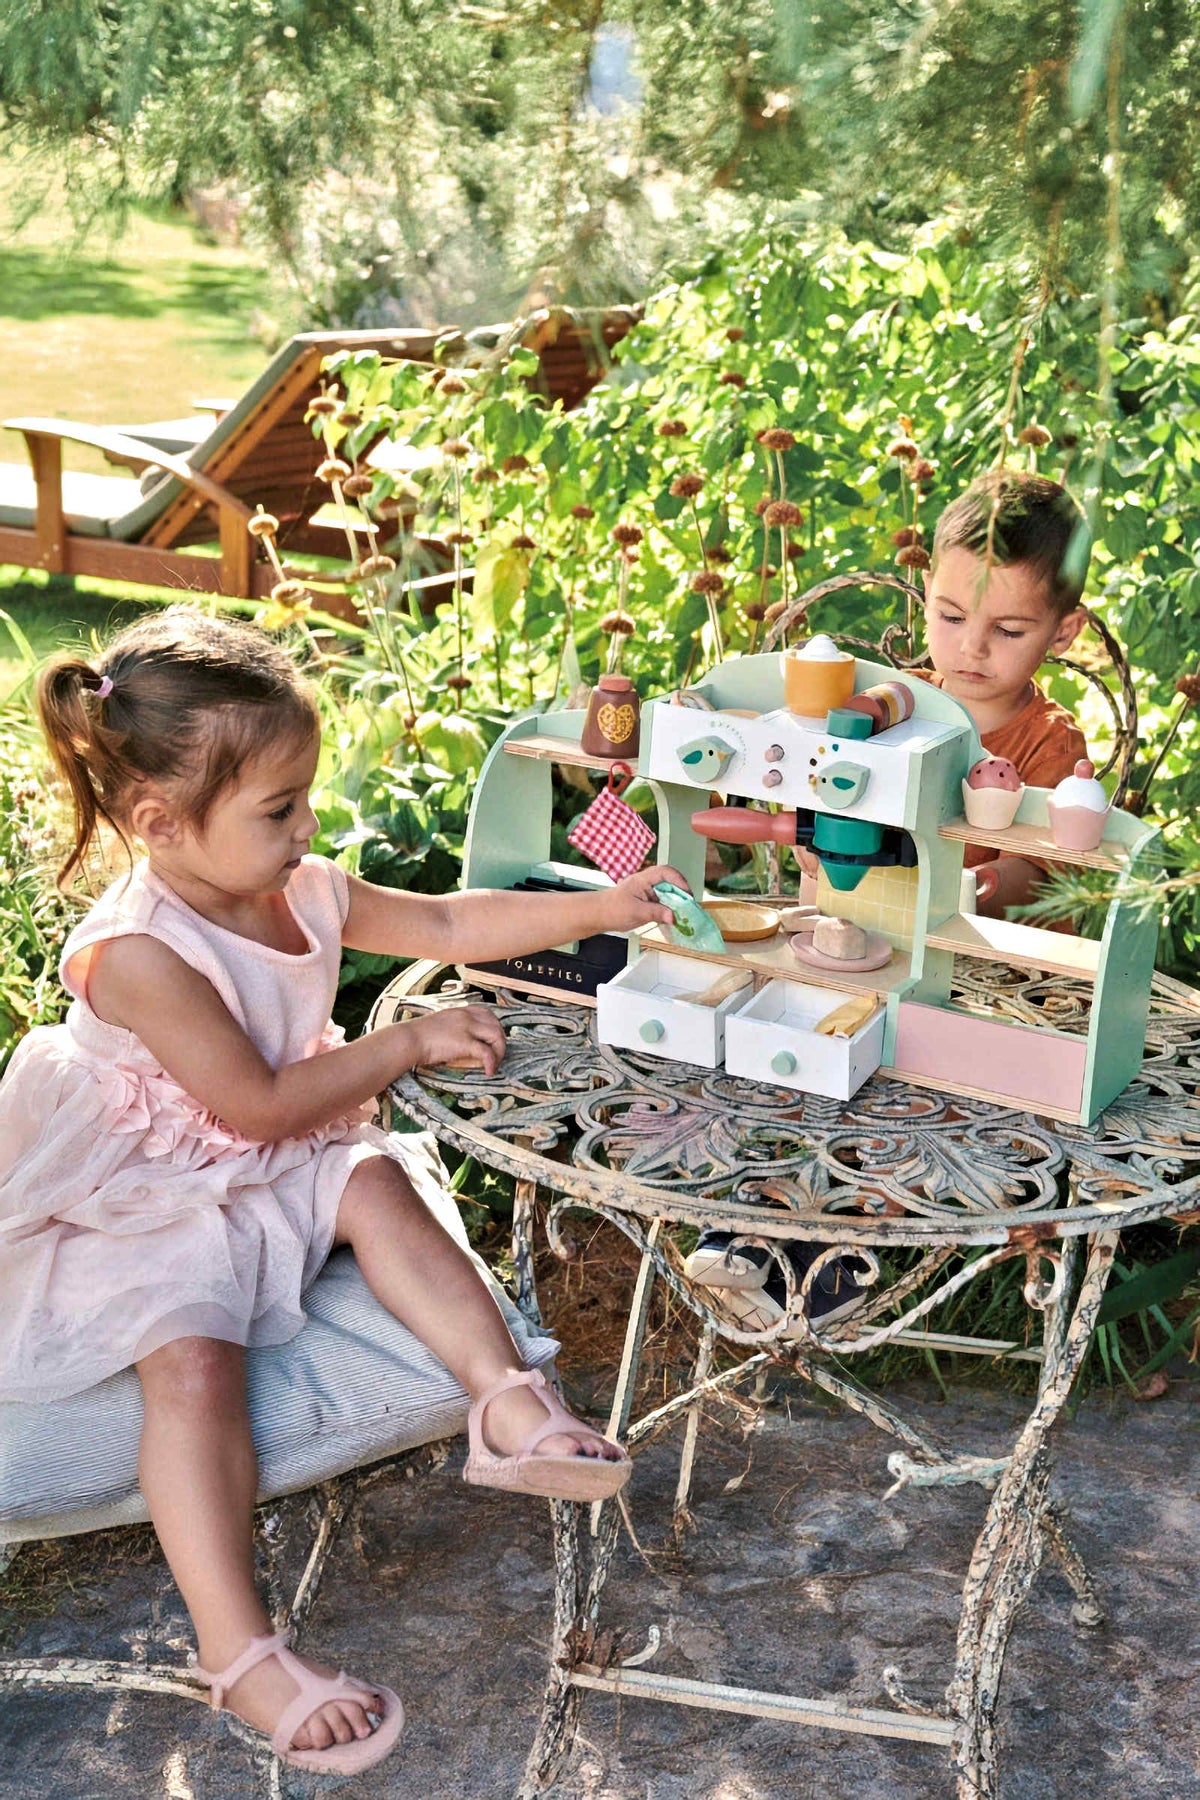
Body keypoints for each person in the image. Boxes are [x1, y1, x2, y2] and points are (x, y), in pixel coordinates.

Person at [0, 608, 685, 1778]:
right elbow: (262, 1103)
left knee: (370, 1178)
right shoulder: (142, 956)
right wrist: (406, 1044)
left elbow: (450, 921)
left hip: (271, 1146)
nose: (308, 828)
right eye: (279, 810)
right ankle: (242, 1650)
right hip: (146, 1189)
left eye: (306, 797)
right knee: (190, 1354)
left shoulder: (299, 887)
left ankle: (503, 1403)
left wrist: (596, 909)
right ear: (160, 822)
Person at [687, 469, 1091, 1328]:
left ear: (1064, 631)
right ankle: (751, 1228)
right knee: (788, 1053)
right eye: (950, 618)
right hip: (851, 943)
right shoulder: (885, 705)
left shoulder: (1049, 744)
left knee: (911, 1098)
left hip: (968, 975)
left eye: (1008, 629)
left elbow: (1036, 875)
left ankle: (835, 1266)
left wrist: (984, 883)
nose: (969, 651)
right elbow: (805, 792)